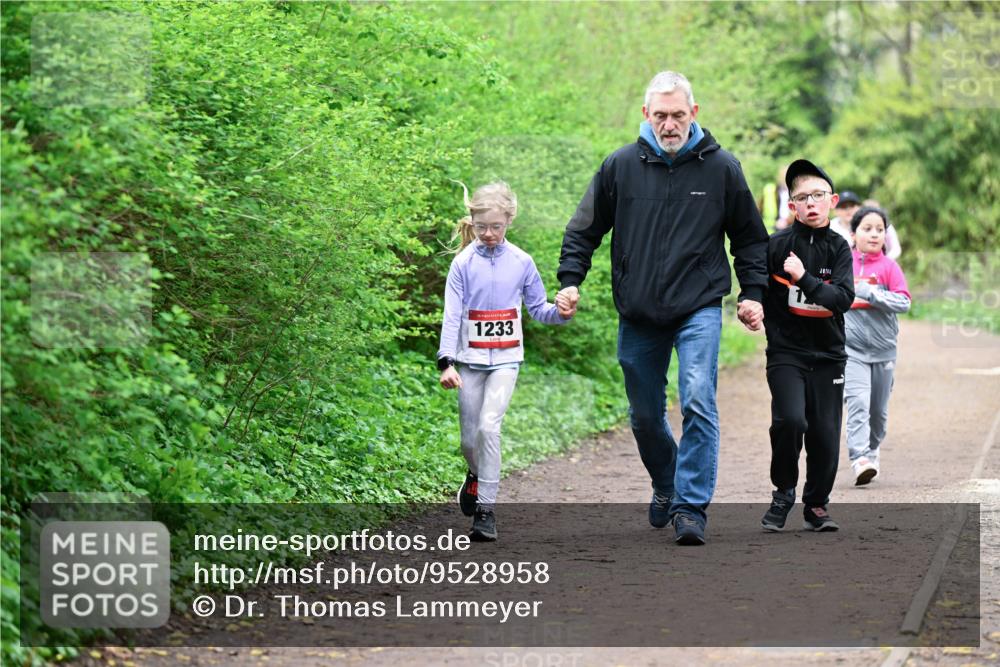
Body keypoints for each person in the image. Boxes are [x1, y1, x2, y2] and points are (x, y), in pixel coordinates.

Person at [555, 71, 768, 546]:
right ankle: (666, 482)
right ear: (645, 117)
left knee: (697, 397)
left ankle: (690, 507)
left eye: (677, 115)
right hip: (639, 310)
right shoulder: (620, 166)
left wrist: (752, 293)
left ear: (694, 114)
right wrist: (571, 281)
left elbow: (751, 239)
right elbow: (583, 230)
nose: (669, 124)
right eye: (660, 116)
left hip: (698, 305)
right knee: (645, 415)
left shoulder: (722, 169)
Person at [437, 181, 570, 541]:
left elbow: (540, 310)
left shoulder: (522, 262)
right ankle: (476, 475)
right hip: (469, 359)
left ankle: (486, 511)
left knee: (488, 428)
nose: (489, 234)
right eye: (482, 227)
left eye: (496, 226)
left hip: (506, 360)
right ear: (473, 223)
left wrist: (561, 313)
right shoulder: (462, 264)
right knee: (469, 440)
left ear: (509, 220)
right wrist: (445, 361)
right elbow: (451, 316)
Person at [760, 159, 854, 533]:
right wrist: (752, 307)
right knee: (790, 420)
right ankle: (783, 491)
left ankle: (816, 504)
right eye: (803, 197)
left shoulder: (840, 248)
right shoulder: (777, 246)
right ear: (792, 206)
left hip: (829, 355)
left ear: (831, 200)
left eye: (817, 195)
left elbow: (842, 299)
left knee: (825, 434)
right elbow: (757, 287)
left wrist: (805, 279)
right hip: (787, 353)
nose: (811, 203)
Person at [844, 206, 911, 485]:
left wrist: (871, 292)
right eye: (867, 229)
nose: (874, 235)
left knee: (878, 414)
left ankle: (872, 450)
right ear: (853, 233)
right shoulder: (842, 263)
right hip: (851, 350)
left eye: (879, 230)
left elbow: (904, 302)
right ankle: (859, 458)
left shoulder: (889, 267)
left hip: (883, 351)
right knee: (858, 402)